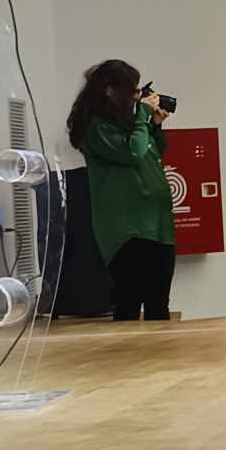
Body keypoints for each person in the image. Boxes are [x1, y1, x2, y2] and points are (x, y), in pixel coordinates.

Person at [69, 59, 176, 321]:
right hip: (127, 229)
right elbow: (133, 152)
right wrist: (142, 115)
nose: (137, 96)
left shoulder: (130, 123)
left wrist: (155, 125)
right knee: (129, 302)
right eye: (133, 89)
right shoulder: (96, 129)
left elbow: (153, 153)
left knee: (159, 304)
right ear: (110, 90)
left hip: (158, 224)